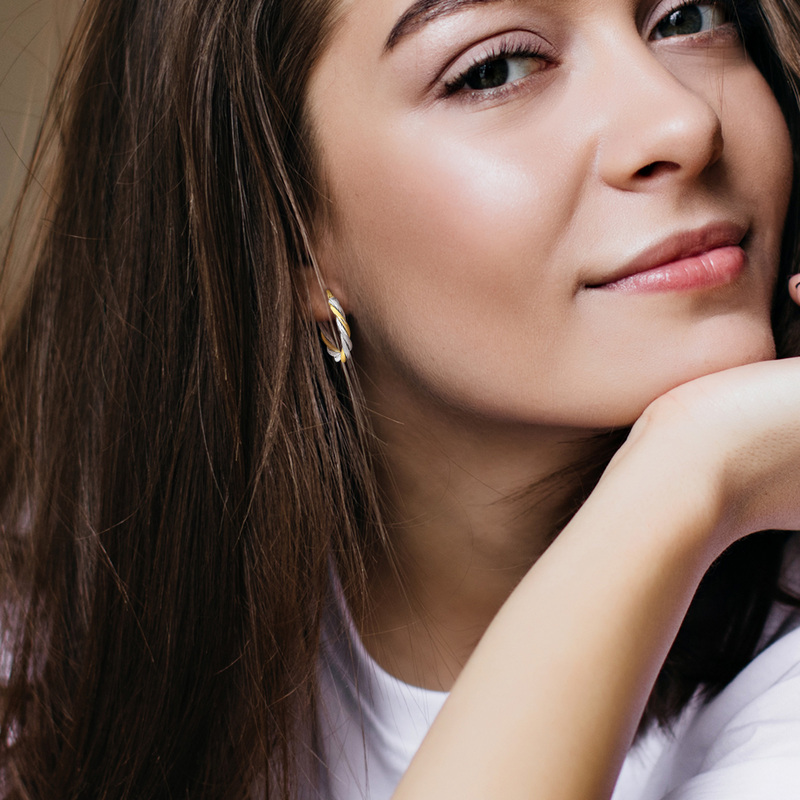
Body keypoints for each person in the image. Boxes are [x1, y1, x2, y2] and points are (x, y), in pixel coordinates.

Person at [2, 0, 800, 797]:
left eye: (686, 16)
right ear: (290, 236)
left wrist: (687, 475)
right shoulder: (77, 585)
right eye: (497, 68)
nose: (683, 122)